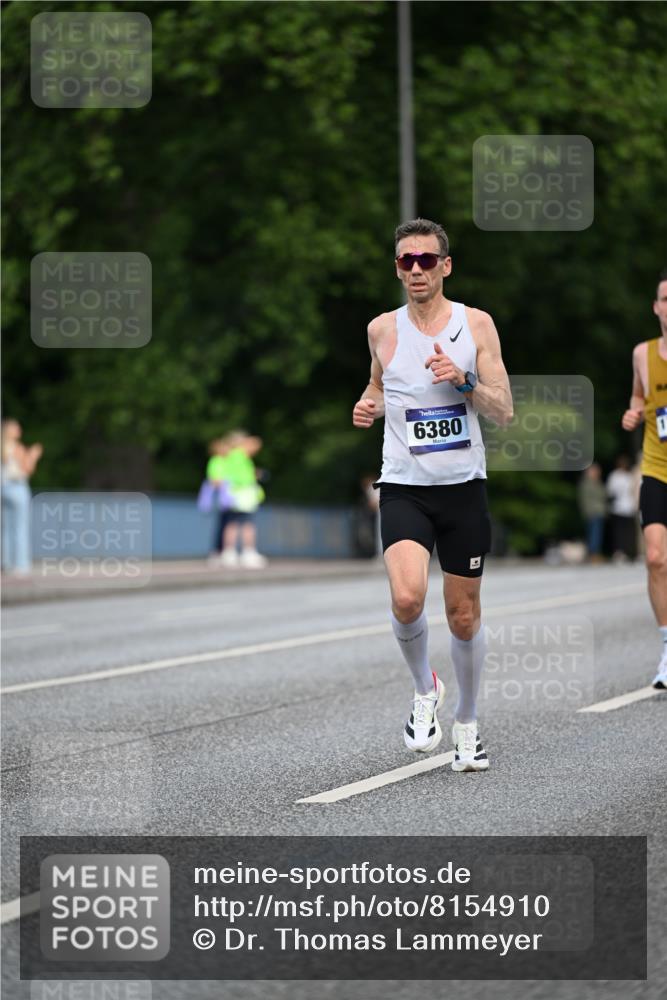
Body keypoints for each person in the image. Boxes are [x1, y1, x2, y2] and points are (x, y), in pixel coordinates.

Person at [352, 218, 513, 772]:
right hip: (404, 486)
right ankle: (426, 689)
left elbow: (503, 410)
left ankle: (467, 722)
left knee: (463, 616)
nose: (416, 269)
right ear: (397, 268)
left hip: (463, 489)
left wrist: (463, 381)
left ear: (446, 266)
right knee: (406, 598)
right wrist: (368, 405)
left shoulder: (476, 324)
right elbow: (379, 384)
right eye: (406, 260)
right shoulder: (381, 329)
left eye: (426, 260)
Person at [621, 268, 667, 688]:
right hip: (656, 468)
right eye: (665, 300)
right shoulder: (642, 354)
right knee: (655, 557)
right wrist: (633, 413)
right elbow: (639, 396)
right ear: (656, 307)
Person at [219, 431, 268, 569]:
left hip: (234, 494)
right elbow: (256, 443)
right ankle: (248, 553)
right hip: (243, 495)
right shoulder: (240, 456)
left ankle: (229, 553)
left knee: (232, 523)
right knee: (247, 525)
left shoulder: (230, 457)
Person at [1, 419, 43, 575]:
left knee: (5, 528)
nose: (19, 430)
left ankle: (5, 562)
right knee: (20, 527)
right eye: (17, 428)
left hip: (3, 488)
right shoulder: (17, 448)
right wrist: (33, 455)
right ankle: (20, 565)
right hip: (17, 488)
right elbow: (27, 469)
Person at [606, 455, 638, 562]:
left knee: (625, 532)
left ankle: (626, 552)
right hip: (622, 508)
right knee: (622, 532)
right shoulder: (619, 476)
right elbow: (611, 492)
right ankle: (622, 552)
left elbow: (611, 491)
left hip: (625, 508)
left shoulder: (623, 476)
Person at [577, 463, 607, 562]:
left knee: (596, 533)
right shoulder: (587, 484)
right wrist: (586, 511)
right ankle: (593, 554)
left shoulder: (597, 482)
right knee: (594, 534)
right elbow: (584, 500)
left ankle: (594, 553)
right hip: (592, 512)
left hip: (599, 511)